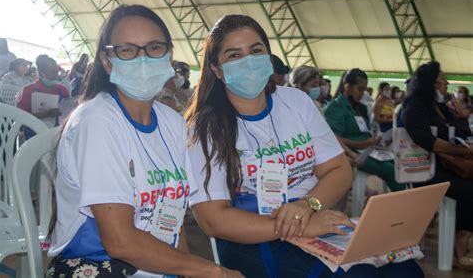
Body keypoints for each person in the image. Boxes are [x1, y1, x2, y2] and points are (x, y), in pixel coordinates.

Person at [185, 14, 422, 277]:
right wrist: (294, 226)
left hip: (312, 218)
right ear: (216, 69)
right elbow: (213, 220)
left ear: (268, 56)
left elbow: (338, 170)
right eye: (234, 56)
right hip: (252, 236)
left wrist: (307, 206)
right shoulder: (206, 127)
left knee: (405, 269)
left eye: (256, 51)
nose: (249, 61)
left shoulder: (295, 102)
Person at [46, 5, 241, 278]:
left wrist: (187, 270)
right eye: (127, 50)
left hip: (158, 264)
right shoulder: (97, 121)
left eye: (154, 48)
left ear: (169, 56)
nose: (142, 58)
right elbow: (119, 241)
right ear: (107, 60)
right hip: (98, 265)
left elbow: (175, 223)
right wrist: (212, 271)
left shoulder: (172, 122)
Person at [401, 61, 473, 270]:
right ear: (430, 83)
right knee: (468, 191)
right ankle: (459, 249)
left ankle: (464, 240)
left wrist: (459, 114)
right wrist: (464, 152)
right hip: (424, 170)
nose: (446, 83)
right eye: (441, 79)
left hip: (444, 165)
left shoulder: (439, 107)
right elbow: (427, 140)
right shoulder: (415, 106)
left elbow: (460, 134)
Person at [325, 69, 405, 192]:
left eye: (365, 89)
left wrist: (377, 142)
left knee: (399, 163)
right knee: (389, 169)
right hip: (349, 153)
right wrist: (363, 144)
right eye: (360, 89)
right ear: (348, 87)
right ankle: (406, 203)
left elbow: (365, 133)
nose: (363, 93)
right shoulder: (336, 107)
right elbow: (334, 138)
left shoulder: (359, 107)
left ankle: (405, 198)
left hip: (368, 150)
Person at [17, 54, 69, 128]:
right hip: (33, 132)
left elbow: (67, 112)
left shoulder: (62, 90)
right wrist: (46, 114)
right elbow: (22, 116)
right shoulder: (28, 90)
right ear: (42, 73)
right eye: (53, 72)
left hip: (56, 131)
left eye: (57, 72)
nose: (56, 76)